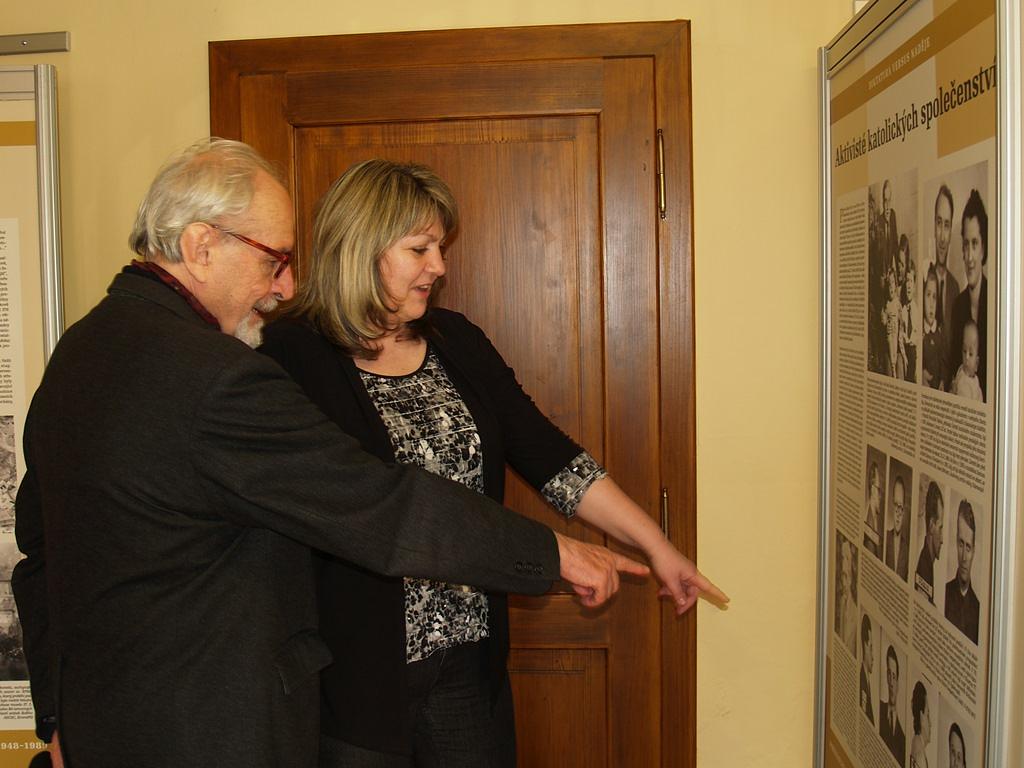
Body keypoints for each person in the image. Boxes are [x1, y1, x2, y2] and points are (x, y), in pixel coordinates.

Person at [10, 139, 647, 768]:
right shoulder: (220, 376)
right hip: (208, 727)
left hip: (106, 725)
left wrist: (58, 715)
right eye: (274, 259)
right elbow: (378, 504)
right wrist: (554, 552)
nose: (285, 285)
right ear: (201, 247)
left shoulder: (79, 352)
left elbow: (39, 553)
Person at [260, 159, 728, 767]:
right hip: (353, 675)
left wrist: (656, 546)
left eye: (440, 248)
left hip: (468, 663)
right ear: (361, 248)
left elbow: (550, 457)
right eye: (420, 248)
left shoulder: (456, 340)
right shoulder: (289, 353)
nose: (439, 266)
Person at [949, 189, 988, 401]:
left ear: (983, 249)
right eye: (966, 245)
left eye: (975, 243)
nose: (970, 256)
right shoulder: (957, 307)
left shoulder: (995, 303)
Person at [945, 500, 980, 643]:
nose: (964, 557)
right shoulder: (944, 594)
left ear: (974, 551)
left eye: (968, 547)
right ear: (955, 541)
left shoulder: (978, 610)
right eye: (961, 544)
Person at [932, 185, 958, 333]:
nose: (942, 237)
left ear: (951, 233)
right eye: (939, 223)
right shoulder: (923, 281)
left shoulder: (955, 288)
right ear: (933, 227)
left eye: (947, 225)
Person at [915, 481, 944, 604]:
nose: (942, 540)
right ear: (931, 525)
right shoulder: (924, 567)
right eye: (940, 528)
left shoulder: (927, 564)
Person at [921, 265, 948, 390]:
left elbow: (944, 361)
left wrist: (943, 380)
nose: (931, 304)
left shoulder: (940, 332)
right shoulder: (920, 332)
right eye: (928, 295)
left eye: (934, 297)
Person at [879, 645, 906, 765]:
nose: (891, 682)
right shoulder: (877, 709)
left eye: (894, 677)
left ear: (898, 683)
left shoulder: (903, 739)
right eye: (889, 674)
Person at [834, 539, 858, 654]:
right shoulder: (842, 602)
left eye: (847, 558)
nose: (844, 565)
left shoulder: (855, 611)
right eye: (843, 558)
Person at [950, 321, 983, 401]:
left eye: (971, 354)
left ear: (976, 363)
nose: (966, 357)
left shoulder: (975, 386)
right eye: (964, 351)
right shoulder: (960, 370)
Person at [885, 475, 910, 582]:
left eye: (901, 507)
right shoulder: (884, 539)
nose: (898, 513)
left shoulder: (907, 550)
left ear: (904, 511)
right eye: (896, 505)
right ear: (892, 506)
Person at [900, 245, 917, 383]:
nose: (908, 286)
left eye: (911, 281)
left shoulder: (917, 311)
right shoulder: (903, 310)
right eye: (907, 282)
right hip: (905, 352)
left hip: (914, 353)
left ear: (915, 285)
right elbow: (901, 335)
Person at [882, 267, 901, 378]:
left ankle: (894, 365)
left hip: (897, 332)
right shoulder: (887, 304)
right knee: (890, 341)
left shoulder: (897, 302)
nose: (891, 287)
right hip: (889, 332)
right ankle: (893, 368)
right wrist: (885, 323)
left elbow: (901, 319)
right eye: (889, 284)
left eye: (893, 283)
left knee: (895, 347)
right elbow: (884, 319)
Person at [864, 461, 883, 559]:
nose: (881, 496)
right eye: (879, 490)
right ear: (872, 489)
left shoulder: (873, 517)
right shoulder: (869, 521)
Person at [909, 681, 931, 768]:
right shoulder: (920, 755)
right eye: (928, 715)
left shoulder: (915, 742)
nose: (930, 723)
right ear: (922, 716)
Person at [859, 614, 875, 724]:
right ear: (865, 645)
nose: (873, 657)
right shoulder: (862, 682)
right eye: (871, 647)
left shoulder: (866, 682)